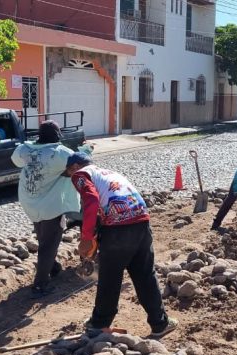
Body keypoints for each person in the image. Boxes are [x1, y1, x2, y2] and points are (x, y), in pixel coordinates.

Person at [64, 153, 178, 338]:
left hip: (119, 229)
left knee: (110, 277)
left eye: (69, 173)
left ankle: (99, 324)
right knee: (145, 275)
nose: (70, 178)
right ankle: (160, 323)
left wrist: (85, 238)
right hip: (141, 222)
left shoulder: (81, 175)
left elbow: (91, 201)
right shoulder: (108, 173)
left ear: (75, 167)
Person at [12, 121, 88, 298]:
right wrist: (86, 149)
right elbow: (82, 161)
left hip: (29, 200)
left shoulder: (25, 149)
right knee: (49, 244)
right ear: (57, 135)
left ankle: (53, 267)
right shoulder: (60, 153)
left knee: (43, 235)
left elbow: (15, 160)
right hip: (50, 205)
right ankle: (40, 284)